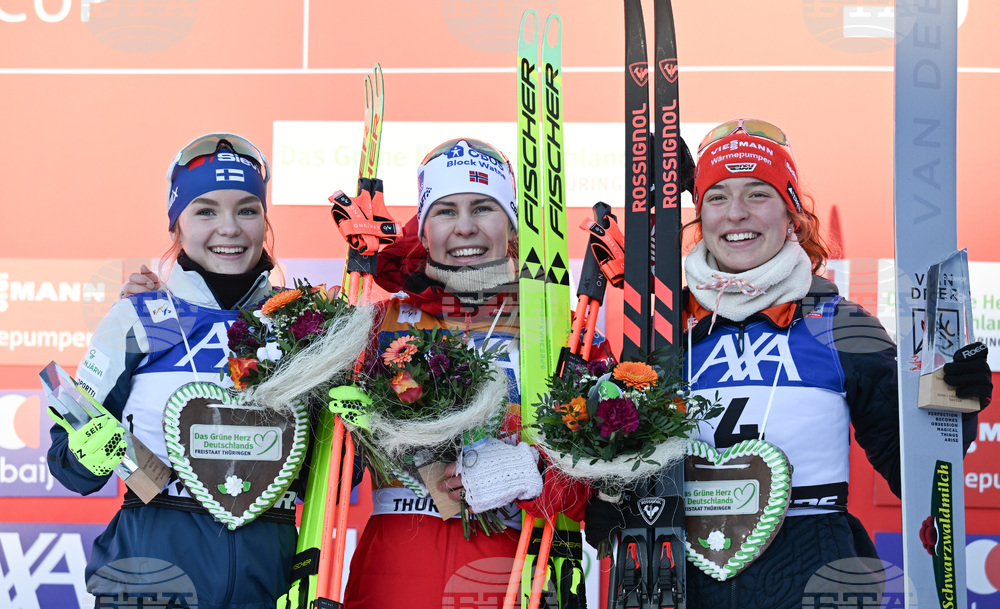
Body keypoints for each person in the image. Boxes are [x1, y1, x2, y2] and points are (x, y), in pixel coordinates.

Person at [675, 118, 991, 608]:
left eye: (758, 193)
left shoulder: (842, 325)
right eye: (717, 197)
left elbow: (915, 471)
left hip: (813, 575)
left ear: (792, 213)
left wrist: (955, 406)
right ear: (701, 216)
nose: (735, 213)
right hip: (687, 578)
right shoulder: (664, 330)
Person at [343, 137, 601, 608]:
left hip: (518, 570)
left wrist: (534, 474)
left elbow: (601, 488)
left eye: (483, 207)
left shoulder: (561, 332)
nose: (465, 228)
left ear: (510, 222)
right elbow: (333, 468)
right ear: (423, 228)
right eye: (444, 211)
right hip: (397, 578)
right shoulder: (378, 324)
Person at [48, 133, 298, 609]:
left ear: (265, 222)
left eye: (247, 210)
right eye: (205, 211)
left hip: (267, 587)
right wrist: (90, 450)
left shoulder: (300, 327)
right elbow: (70, 469)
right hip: (148, 588)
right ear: (176, 226)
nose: (230, 228)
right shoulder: (136, 319)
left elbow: (336, 480)